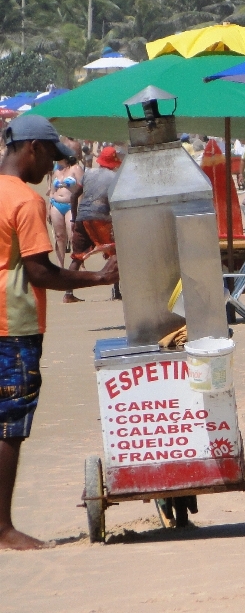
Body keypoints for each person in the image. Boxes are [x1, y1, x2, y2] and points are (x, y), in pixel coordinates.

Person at [1, 116, 119, 550]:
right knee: (9, 424)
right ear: (32, 148)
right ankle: (3, 529)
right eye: (51, 155)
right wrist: (97, 280)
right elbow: (38, 271)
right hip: (12, 323)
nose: (53, 167)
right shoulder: (25, 201)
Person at [65, 146, 122, 303]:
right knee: (115, 253)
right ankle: (116, 290)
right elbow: (114, 202)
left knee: (77, 257)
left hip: (82, 218)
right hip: (101, 219)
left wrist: (74, 219)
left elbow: (74, 196)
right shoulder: (114, 177)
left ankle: (68, 293)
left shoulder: (88, 173)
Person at [48, 156, 83, 267]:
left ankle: (78, 264)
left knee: (72, 235)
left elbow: (82, 189)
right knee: (59, 236)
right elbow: (52, 191)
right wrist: (48, 207)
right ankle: (60, 265)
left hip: (70, 204)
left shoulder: (75, 168)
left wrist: (79, 206)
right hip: (56, 204)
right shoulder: (57, 170)